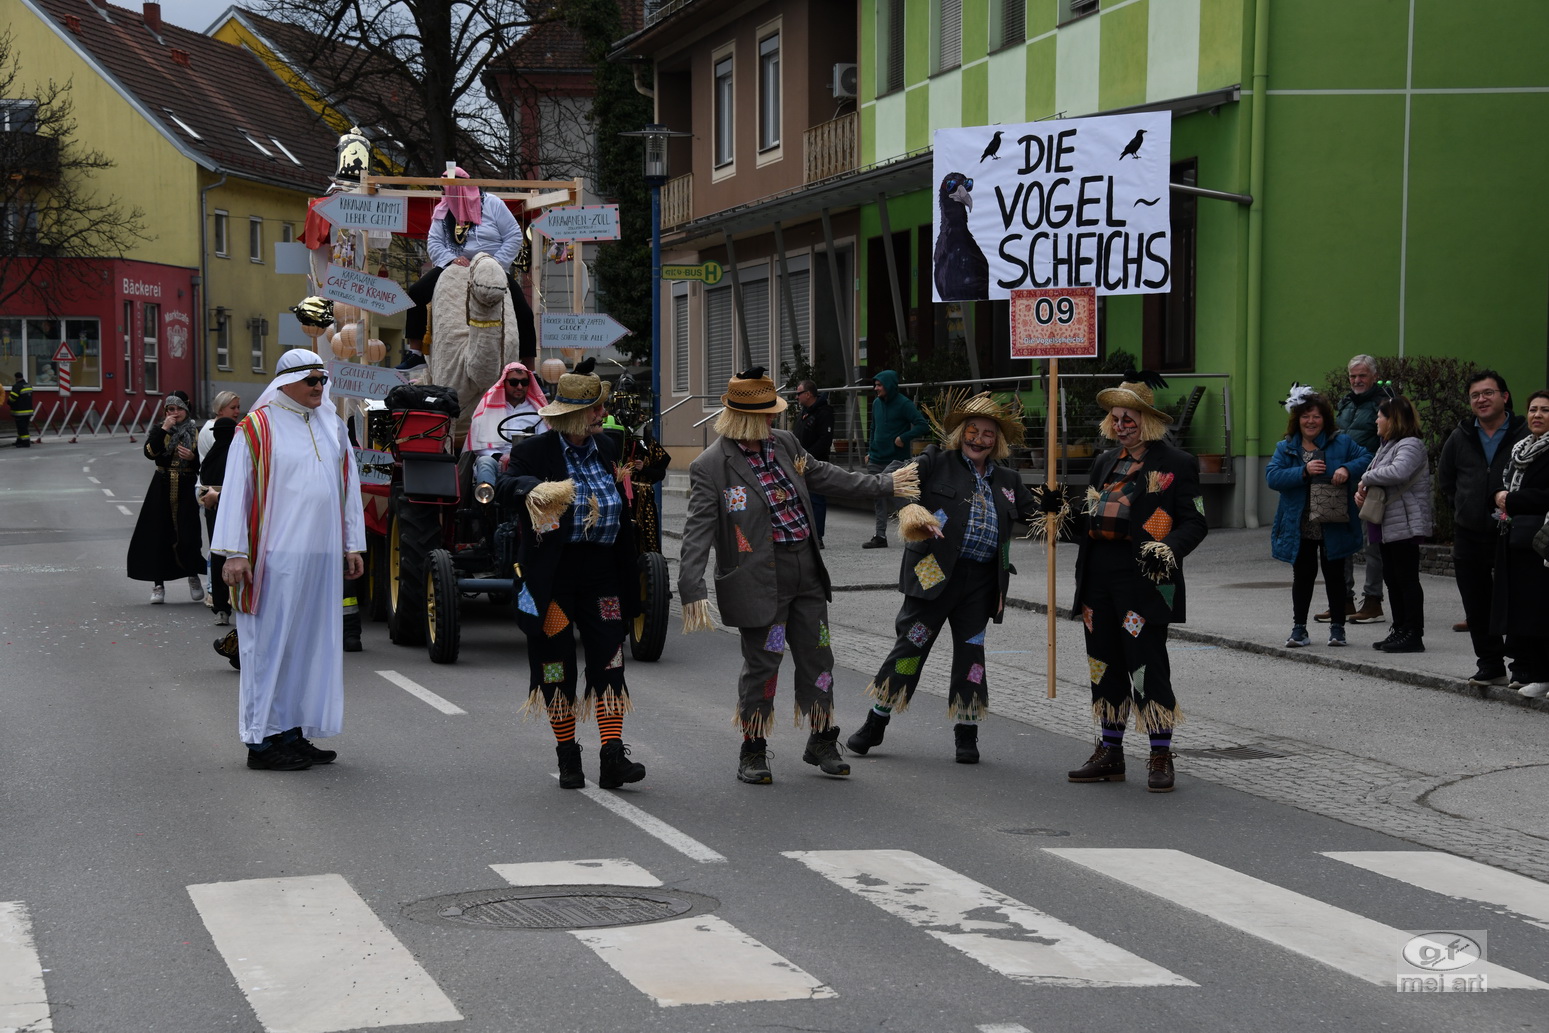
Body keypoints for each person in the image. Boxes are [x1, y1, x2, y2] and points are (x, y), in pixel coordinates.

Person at [679, 367, 920, 785]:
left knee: (818, 657)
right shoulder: (712, 466)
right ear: (743, 417)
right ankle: (753, 748)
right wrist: (691, 586)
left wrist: (885, 484)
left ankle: (822, 739)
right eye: (766, 414)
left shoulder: (786, 444)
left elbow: (826, 475)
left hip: (806, 572)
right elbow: (697, 531)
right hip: (759, 582)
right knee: (764, 666)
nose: (774, 418)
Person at [846, 393, 1040, 764]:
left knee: (971, 654)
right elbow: (899, 482)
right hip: (933, 571)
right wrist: (912, 511)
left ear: (997, 440)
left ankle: (967, 732)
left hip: (981, 581)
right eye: (972, 431)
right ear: (960, 433)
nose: (978, 439)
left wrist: (1054, 509)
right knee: (911, 645)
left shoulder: (1009, 480)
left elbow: (1034, 514)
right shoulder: (936, 461)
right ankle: (876, 720)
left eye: (987, 434)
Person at [496, 359, 647, 791]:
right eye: (596, 408)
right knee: (555, 665)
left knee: (610, 658)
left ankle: (613, 757)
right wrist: (534, 489)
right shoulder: (534, 452)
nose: (603, 414)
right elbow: (505, 489)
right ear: (575, 415)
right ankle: (568, 757)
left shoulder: (607, 447)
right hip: (552, 578)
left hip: (602, 574)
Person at [212, 350, 366, 770]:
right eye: (311, 380)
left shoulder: (331, 424)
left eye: (322, 380)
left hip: (321, 556)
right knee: (269, 649)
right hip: (273, 558)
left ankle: (291, 731)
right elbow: (237, 490)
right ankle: (261, 742)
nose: (319, 387)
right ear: (285, 383)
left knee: (309, 647)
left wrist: (352, 544)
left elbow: (348, 487)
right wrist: (235, 552)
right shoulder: (257, 428)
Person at [1066, 372, 1208, 793]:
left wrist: (1169, 548)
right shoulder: (1104, 462)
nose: (1121, 425)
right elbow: (1087, 520)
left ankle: (1160, 753)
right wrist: (1059, 514)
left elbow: (1196, 521)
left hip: (1142, 580)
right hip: (1097, 578)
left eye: (1129, 418)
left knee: (1146, 666)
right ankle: (1110, 752)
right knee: (1103, 665)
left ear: (1147, 420)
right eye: (1115, 418)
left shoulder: (1177, 463)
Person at [1437, 371, 1528, 687]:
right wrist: (1464, 507)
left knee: (1518, 599)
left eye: (1488, 393)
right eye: (1475, 395)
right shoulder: (1460, 436)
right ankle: (1490, 665)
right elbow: (1446, 480)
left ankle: (1523, 667)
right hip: (1470, 532)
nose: (1481, 399)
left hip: (1514, 530)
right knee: (1476, 602)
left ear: (1505, 396)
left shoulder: (1524, 434)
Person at [1265, 387, 1370, 649]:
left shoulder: (1341, 442)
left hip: (1334, 520)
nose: (1310, 421)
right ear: (1297, 419)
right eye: (1305, 416)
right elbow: (1272, 477)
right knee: (1303, 576)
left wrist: (1347, 468)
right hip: (1300, 523)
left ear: (1325, 419)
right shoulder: (1285, 447)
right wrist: (1303, 471)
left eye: (1316, 416)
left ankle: (1338, 629)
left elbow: (1367, 458)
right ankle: (1299, 629)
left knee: (1335, 576)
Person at [401, 167, 535, 369]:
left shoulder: (492, 203)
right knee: (415, 292)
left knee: (524, 312)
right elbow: (434, 242)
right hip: (454, 265)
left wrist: (496, 263)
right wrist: (450, 259)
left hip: (490, 265)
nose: (445, 193)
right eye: (443, 189)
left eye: (448, 189)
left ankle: (529, 367)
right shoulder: (442, 209)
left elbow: (514, 235)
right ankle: (416, 352)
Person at [1354, 396, 1432, 653]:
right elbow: (1379, 479)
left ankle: (1413, 633)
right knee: (1392, 578)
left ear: (1393, 419)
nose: (1376, 420)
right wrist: (1362, 493)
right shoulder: (1387, 445)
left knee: (1406, 579)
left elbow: (1398, 472)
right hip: (1388, 522)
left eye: (1380, 416)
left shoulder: (1411, 444)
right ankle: (1399, 629)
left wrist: (1365, 477)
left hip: (1404, 523)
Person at [1490, 390, 1549, 698]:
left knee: (1544, 609)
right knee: (1528, 611)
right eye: (1533, 409)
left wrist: (1512, 499)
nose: (1537, 415)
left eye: (1545, 410)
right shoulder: (1520, 449)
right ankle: (1539, 674)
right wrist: (1499, 496)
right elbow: (1501, 484)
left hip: (1543, 540)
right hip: (1516, 539)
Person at [1326, 354, 1391, 625]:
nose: (1357, 380)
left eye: (1362, 375)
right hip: (1342, 482)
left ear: (1374, 376)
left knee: (1372, 545)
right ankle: (1343, 600)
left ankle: (1373, 601)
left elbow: (1387, 444)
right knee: (1341, 543)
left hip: (1370, 483)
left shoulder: (1385, 403)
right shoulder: (1345, 402)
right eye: (1353, 376)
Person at [127, 393, 207, 604]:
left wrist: (192, 458)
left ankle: (192, 575)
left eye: (179, 409)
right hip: (161, 486)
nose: (175, 413)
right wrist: (164, 429)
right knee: (159, 534)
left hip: (186, 486)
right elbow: (150, 453)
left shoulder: (196, 431)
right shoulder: (159, 430)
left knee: (189, 534)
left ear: (187, 410)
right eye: (171, 409)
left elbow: (205, 462)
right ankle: (158, 585)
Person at [862, 369, 929, 548]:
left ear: (889, 385)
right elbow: (873, 428)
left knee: (901, 498)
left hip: (896, 460)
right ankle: (880, 536)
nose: (876, 388)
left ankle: (916, 533)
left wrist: (903, 438)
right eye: (875, 385)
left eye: (879, 385)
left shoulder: (904, 404)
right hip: (875, 458)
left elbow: (923, 425)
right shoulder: (876, 403)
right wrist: (869, 451)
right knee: (878, 497)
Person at [467, 361, 547, 502]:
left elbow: (545, 441)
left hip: (528, 461)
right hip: (496, 461)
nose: (519, 386)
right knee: (485, 462)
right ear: (504, 382)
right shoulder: (488, 408)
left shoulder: (538, 410)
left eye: (524, 382)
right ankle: (486, 503)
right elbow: (479, 446)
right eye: (514, 382)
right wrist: (500, 457)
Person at [198, 417, 238, 626]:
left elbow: (203, 484)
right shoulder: (237, 454)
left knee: (218, 555)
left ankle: (221, 608)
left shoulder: (211, 456)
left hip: (215, 513)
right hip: (237, 512)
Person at [792, 379, 834, 541]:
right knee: (802, 499)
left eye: (799, 393)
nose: (797, 397)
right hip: (800, 463)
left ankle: (817, 536)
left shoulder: (824, 412)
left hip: (816, 463)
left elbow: (825, 440)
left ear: (808, 394)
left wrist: (807, 457)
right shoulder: (804, 412)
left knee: (816, 499)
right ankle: (805, 533)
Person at [198, 391, 243, 464]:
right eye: (233, 408)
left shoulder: (223, 427)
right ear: (220, 410)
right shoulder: (215, 429)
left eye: (238, 407)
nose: (237, 411)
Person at [7, 372, 32, 447]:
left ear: (16, 378)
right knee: (23, 427)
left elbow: (12, 398)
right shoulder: (28, 385)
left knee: (22, 427)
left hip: (20, 411)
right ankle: (19, 441)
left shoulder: (17, 386)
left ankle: (26, 443)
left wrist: (8, 402)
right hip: (28, 410)